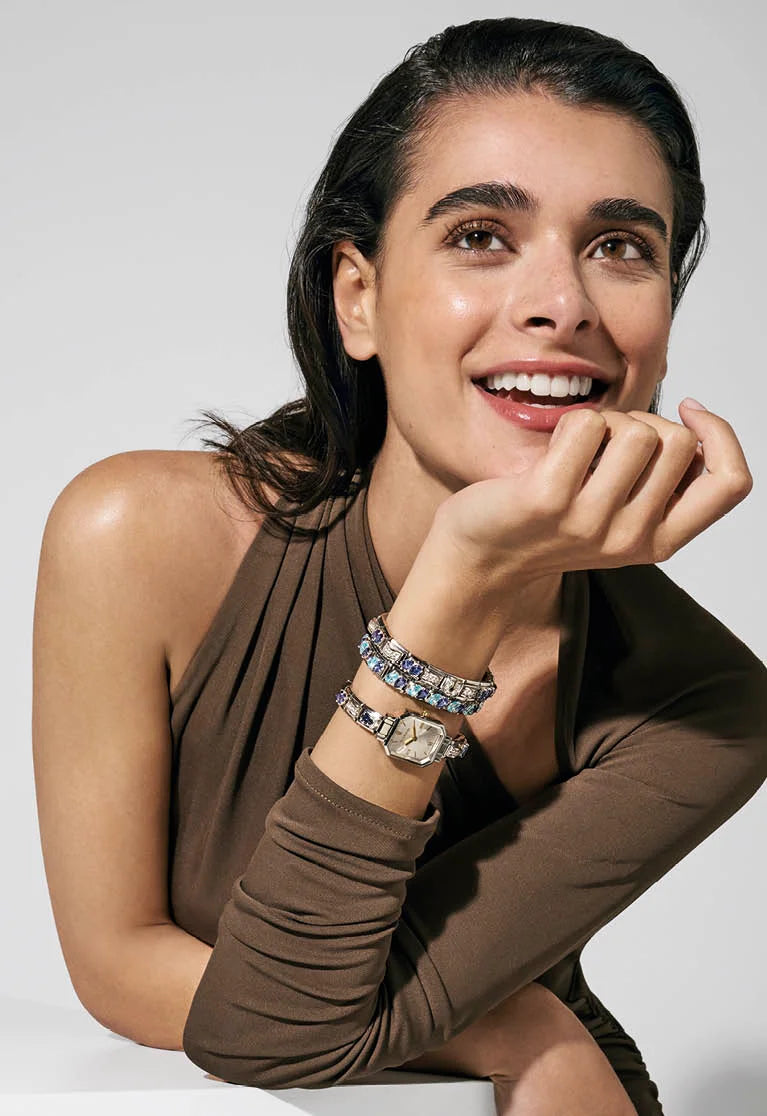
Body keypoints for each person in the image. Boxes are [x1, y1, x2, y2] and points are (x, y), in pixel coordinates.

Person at [32, 16, 766, 1116]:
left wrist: (460, 585)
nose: (561, 305)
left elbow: (269, 1023)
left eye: (620, 247)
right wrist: (521, 1022)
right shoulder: (134, 537)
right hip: (529, 1070)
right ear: (357, 298)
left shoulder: (708, 708)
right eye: (480, 233)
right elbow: (160, 982)